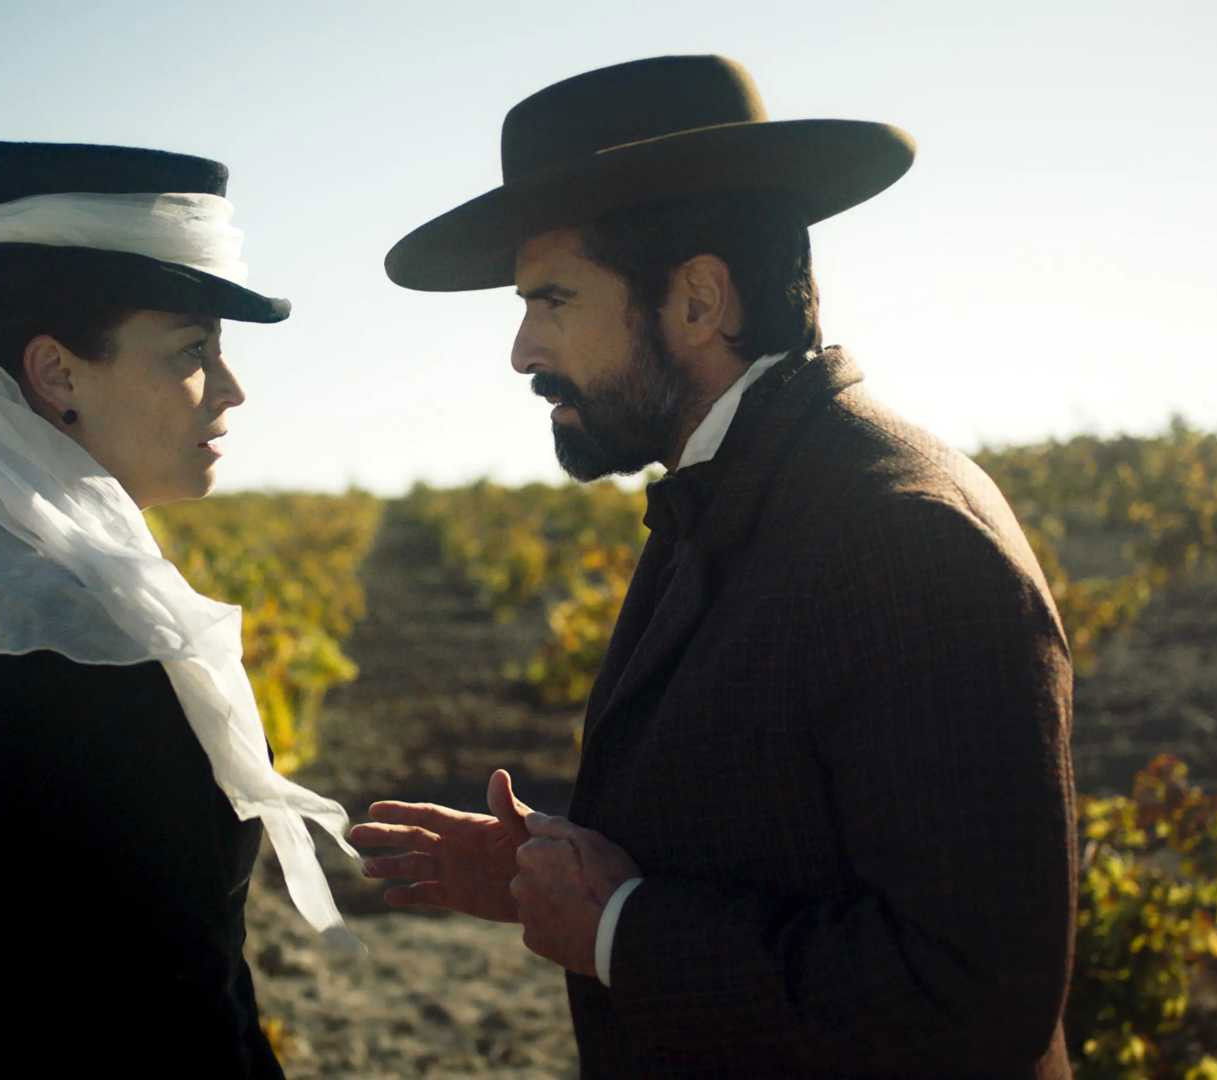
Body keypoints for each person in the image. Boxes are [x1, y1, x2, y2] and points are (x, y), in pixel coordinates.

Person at [353, 56, 1078, 1077]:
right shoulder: (732, 491)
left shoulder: (903, 536)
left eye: (552, 299)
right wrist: (547, 876)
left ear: (697, 302)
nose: (522, 350)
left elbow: (973, 997)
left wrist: (620, 930)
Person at [0, 140, 357, 1077]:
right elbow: (165, 1007)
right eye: (193, 350)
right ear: (59, 375)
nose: (232, 389)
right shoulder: (89, 648)